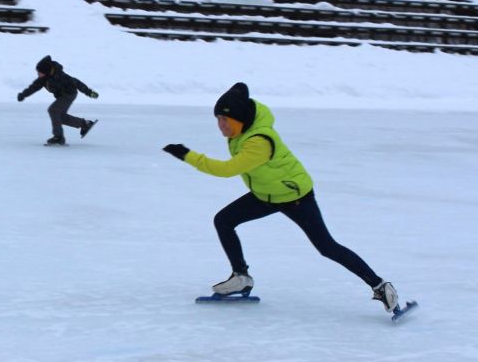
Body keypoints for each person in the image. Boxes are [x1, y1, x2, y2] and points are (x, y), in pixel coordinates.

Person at [162, 82, 399, 313]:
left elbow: (226, 170)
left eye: (224, 120)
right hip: (266, 194)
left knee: (327, 247)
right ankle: (240, 277)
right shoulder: (242, 131)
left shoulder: (259, 142)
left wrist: (187, 155)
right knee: (223, 220)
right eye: (217, 119)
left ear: (238, 119)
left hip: (295, 197)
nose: (220, 125)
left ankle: (380, 286)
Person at [17, 55, 99, 146]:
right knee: (60, 117)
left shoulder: (59, 76)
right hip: (62, 96)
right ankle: (85, 124)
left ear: (46, 71)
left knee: (53, 110)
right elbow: (33, 87)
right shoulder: (43, 79)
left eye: (40, 72)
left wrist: (89, 92)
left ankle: (59, 137)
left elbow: (76, 82)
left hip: (69, 94)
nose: (38, 74)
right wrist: (23, 95)